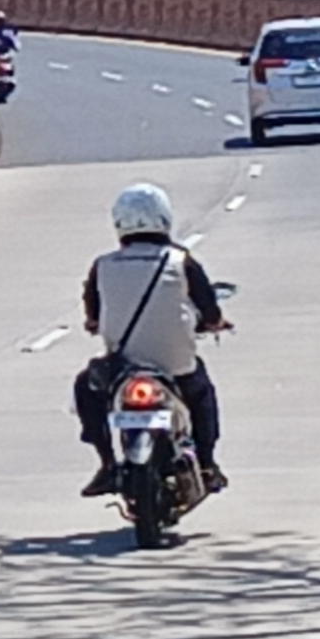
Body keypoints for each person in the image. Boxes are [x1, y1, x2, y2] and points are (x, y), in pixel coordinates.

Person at [73, 182, 231, 497]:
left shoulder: (102, 266)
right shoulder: (181, 261)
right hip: (176, 365)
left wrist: (97, 323)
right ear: (164, 218)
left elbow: (92, 317)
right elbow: (209, 311)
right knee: (201, 394)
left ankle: (106, 464)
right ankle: (208, 464)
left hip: (124, 368)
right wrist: (215, 323)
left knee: (85, 387)